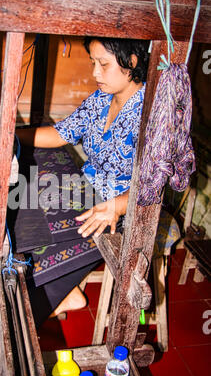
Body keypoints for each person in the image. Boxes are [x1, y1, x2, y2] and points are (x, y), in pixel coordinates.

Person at [14, 36, 149, 324]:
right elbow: (61, 133)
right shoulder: (101, 99)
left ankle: (42, 302)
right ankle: (66, 292)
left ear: (132, 63)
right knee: (29, 197)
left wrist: (120, 204)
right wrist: (10, 137)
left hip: (129, 208)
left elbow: (158, 182)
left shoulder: (152, 112)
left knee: (72, 229)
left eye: (103, 64)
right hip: (88, 188)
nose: (95, 73)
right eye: (93, 63)